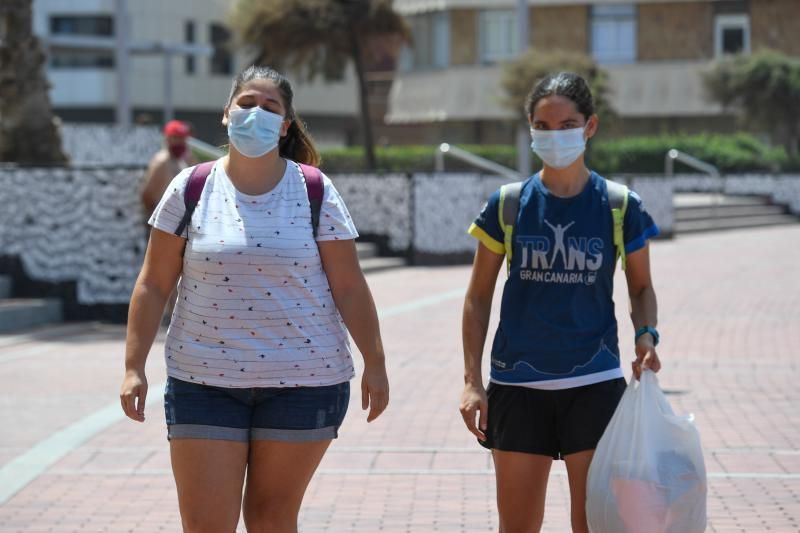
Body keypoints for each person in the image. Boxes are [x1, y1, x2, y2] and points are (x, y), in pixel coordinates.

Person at [120, 65, 390, 533]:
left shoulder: (314, 190)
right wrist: (133, 366)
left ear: (285, 126)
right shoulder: (190, 188)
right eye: (246, 103)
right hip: (202, 381)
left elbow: (349, 285)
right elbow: (153, 283)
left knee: (270, 518)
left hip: (306, 383)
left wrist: (377, 362)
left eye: (270, 108)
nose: (256, 114)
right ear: (226, 114)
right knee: (206, 525)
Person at [459, 72, 662, 533]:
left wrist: (646, 335)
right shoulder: (508, 204)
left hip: (595, 383)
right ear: (530, 128)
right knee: (517, 526)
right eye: (543, 126)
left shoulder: (619, 204)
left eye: (567, 124)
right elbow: (477, 296)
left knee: (593, 524)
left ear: (590, 126)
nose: (555, 136)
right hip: (516, 384)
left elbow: (641, 286)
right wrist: (473, 382)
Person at [141, 119, 195, 221]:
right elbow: (147, 195)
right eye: (176, 137)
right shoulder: (162, 161)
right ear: (168, 138)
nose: (181, 141)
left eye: (183, 138)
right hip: (162, 219)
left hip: (178, 218)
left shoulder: (183, 159)